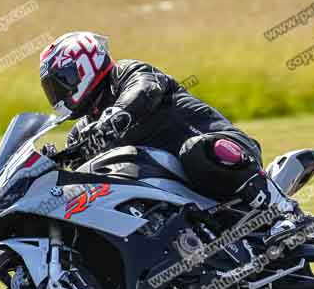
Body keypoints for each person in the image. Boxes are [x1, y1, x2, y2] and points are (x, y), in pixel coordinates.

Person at [39, 31, 285, 212]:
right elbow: (80, 171)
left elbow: (145, 90)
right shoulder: (82, 130)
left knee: (196, 151)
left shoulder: (126, 74)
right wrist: (53, 163)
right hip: (177, 193)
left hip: (226, 152)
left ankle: (279, 208)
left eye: (60, 81)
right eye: (51, 88)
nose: (57, 93)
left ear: (83, 67)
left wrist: (115, 117)